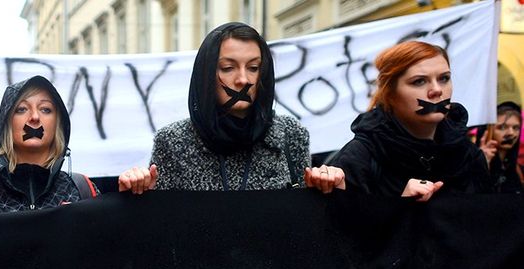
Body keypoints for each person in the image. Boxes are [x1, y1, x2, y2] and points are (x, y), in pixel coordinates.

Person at [118, 22, 343, 194]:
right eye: (228, 68)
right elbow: (161, 226)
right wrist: (137, 191)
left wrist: (329, 186)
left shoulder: (290, 134)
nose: (243, 79)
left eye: (254, 67)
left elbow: (304, 219)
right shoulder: (172, 141)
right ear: (206, 74)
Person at [327, 41, 489, 200]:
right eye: (419, 81)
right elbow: (344, 223)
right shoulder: (360, 157)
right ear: (390, 93)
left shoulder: (468, 154)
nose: (437, 90)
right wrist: (400, 205)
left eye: (444, 78)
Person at [0, 75, 97, 215]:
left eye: (45, 109)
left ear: (58, 122)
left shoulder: (84, 192)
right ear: (7, 122)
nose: (35, 117)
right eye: (22, 109)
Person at [477, 101, 523, 193]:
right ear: (487, 131)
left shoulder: (518, 170)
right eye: (502, 127)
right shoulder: (470, 163)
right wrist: (481, 163)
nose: (511, 133)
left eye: (516, 128)